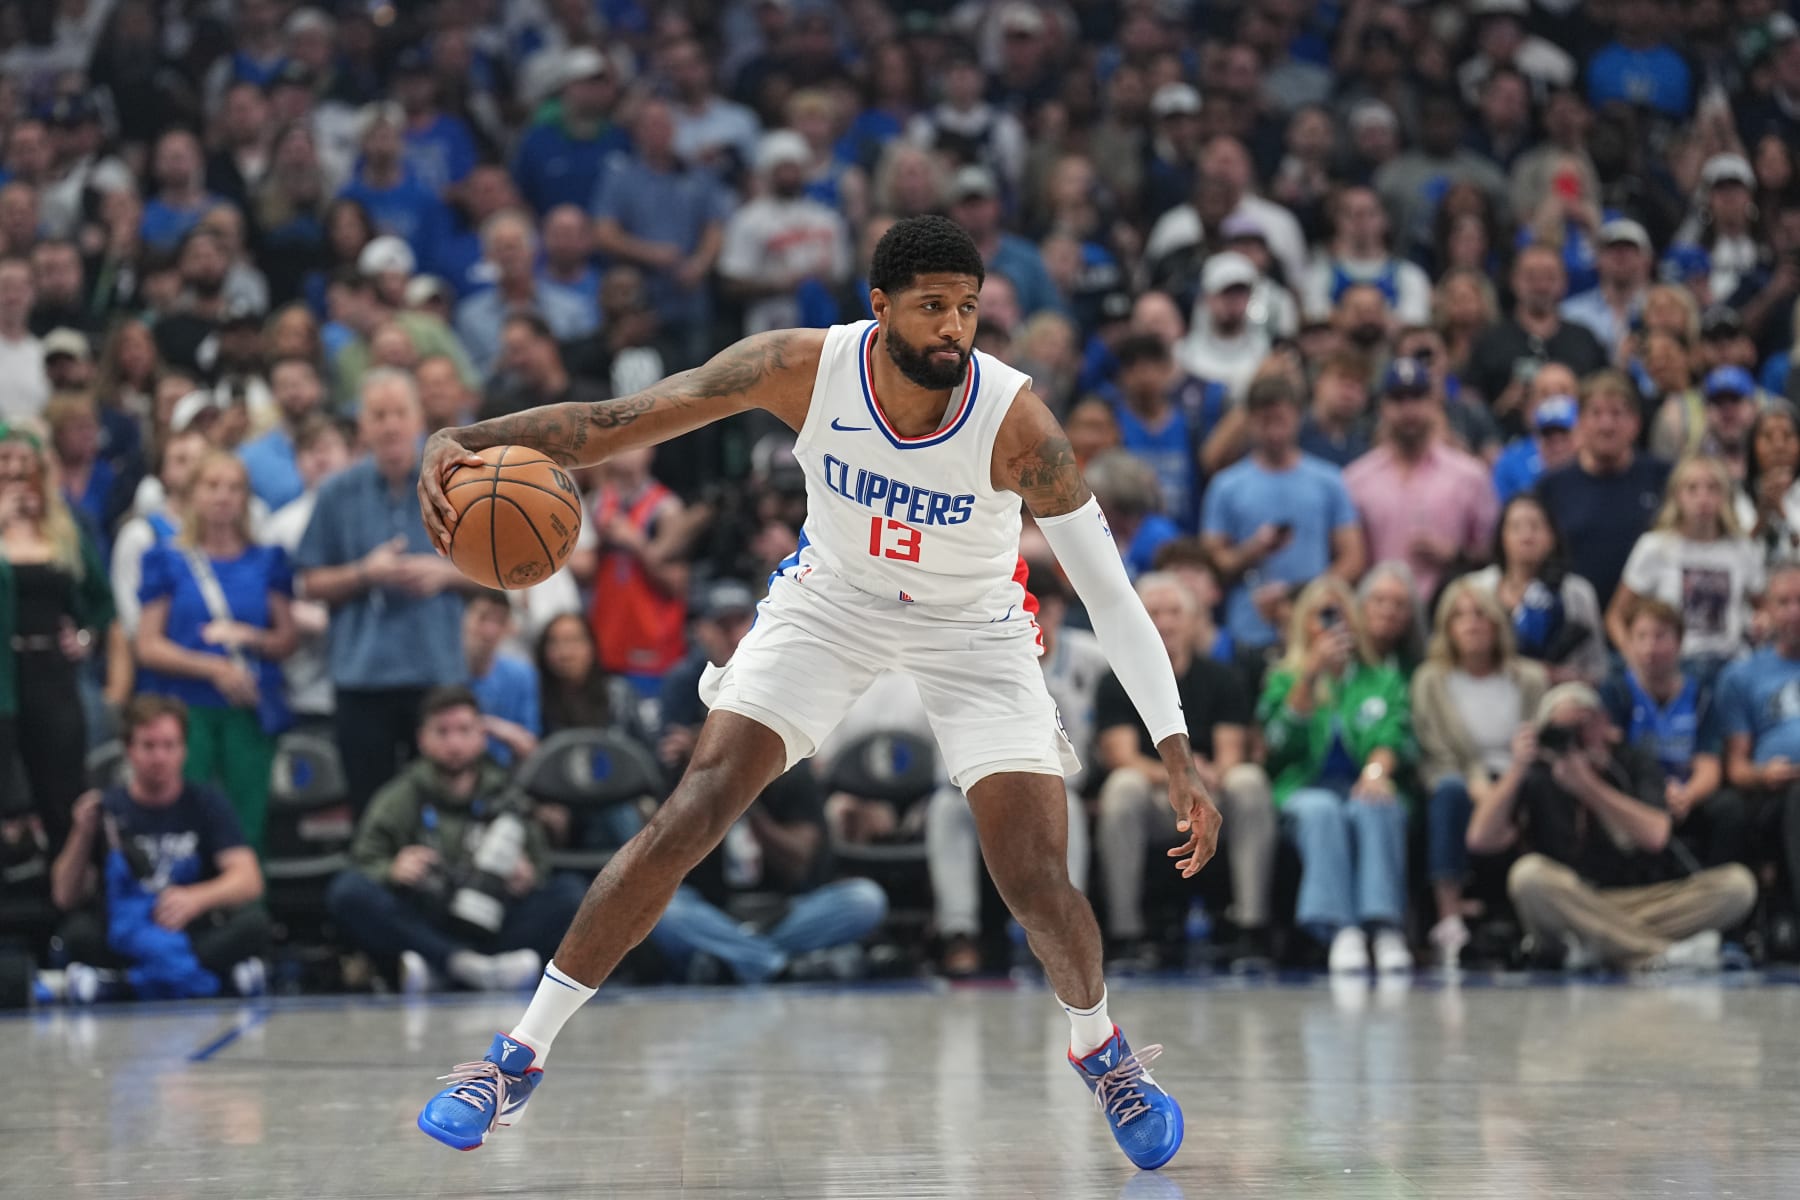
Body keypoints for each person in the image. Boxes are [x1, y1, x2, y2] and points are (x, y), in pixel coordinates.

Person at [412, 216, 1217, 1169]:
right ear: (879, 309)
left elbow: (1114, 597)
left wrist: (1176, 751)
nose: (954, 328)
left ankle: (1103, 1050)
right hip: (831, 599)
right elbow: (616, 422)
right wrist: (464, 437)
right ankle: (515, 1060)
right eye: (931, 308)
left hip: (974, 624)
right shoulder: (799, 366)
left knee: (1034, 878)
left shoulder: (1018, 424)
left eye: (966, 308)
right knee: (692, 810)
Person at [1468, 682, 1757, 971]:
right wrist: (1517, 767)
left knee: (1738, 886)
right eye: (1563, 728)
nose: (1575, 737)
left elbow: (1656, 835)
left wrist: (1589, 787)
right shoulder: (1536, 775)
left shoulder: (1630, 763)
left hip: (1638, 900)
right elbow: (1480, 838)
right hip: (1568, 898)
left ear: (1604, 723)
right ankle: (1658, 952)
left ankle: (1599, 945)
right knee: (1528, 876)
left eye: (1584, 723)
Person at [323, 687, 588, 993]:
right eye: (442, 732)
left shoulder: (507, 792)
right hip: (427, 916)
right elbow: (364, 858)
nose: (454, 743)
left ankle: (445, 968)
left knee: (571, 893)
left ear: (481, 737)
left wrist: (528, 876)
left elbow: (540, 864)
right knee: (347, 892)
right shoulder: (400, 795)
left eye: (464, 730)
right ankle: (461, 964)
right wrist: (392, 869)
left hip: (495, 916)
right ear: (422, 739)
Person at [294, 369, 474, 812]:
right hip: (362, 678)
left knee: (444, 809)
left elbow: (500, 573)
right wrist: (364, 574)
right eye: (379, 415)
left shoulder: (458, 484)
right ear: (363, 426)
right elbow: (309, 581)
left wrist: (446, 574)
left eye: (399, 413)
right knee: (370, 809)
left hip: (436, 673)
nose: (391, 425)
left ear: (419, 420)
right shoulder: (337, 492)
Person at [1095, 572, 1274, 967]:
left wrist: (1206, 780)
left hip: (1212, 792)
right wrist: (1181, 777)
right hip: (1155, 795)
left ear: (1194, 621)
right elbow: (1120, 756)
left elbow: (1232, 752)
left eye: (1175, 612)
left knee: (1249, 780)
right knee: (1122, 786)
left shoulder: (1222, 678)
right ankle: (1127, 935)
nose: (1166, 622)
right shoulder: (1115, 682)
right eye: (1154, 612)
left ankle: (1252, 929)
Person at [48, 695, 272, 1001]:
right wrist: (81, 833)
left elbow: (249, 880)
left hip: (190, 928)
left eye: (170, 746)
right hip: (129, 931)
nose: (159, 758)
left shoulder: (206, 802)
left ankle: (123, 984)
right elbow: (64, 895)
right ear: (129, 750)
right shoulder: (109, 808)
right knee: (76, 934)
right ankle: (217, 978)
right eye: (149, 746)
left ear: (184, 750)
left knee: (254, 925)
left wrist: (196, 898)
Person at [133, 452, 297, 853]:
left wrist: (249, 637)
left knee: (246, 823)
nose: (222, 496)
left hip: (248, 708)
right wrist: (213, 668)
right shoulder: (167, 559)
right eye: (212, 486)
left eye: (233, 487)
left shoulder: (267, 560)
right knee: (184, 821)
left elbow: (285, 640)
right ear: (192, 495)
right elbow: (147, 645)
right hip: (185, 714)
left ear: (245, 498)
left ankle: (245, 909)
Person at [1258, 578, 1414, 975]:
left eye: (1340, 613)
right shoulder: (1283, 678)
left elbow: (1391, 735)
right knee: (1323, 810)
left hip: (1359, 783)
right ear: (1303, 625)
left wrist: (1377, 773)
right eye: (1321, 615)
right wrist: (1308, 678)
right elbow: (1277, 746)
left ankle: (1384, 927)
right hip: (1305, 787)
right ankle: (1341, 928)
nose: (1332, 624)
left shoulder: (1380, 678)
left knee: (1375, 803)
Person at [1410, 577, 1548, 966]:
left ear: (1496, 623)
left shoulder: (1529, 678)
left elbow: (1540, 737)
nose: (1471, 624)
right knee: (1449, 791)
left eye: (1480, 615)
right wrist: (1479, 787)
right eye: (1460, 616)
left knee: (1543, 786)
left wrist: (1505, 786)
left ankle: (1542, 916)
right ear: (1446, 627)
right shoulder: (1431, 680)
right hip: (1456, 776)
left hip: (1517, 774)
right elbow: (1433, 748)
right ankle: (1448, 915)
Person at [0, 423, 115, 849]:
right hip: (2, 678)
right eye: (3, 458)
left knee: (62, 795)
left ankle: (71, 901)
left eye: (22, 458)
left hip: (51, 674)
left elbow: (102, 601)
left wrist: (86, 637)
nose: (13, 468)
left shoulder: (64, 526)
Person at [1201, 373, 1366, 651]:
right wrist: (1253, 549)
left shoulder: (1329, 480)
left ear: (1298, 418)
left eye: (1281, 421)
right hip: (1248, 631)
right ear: (1250, 421)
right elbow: (1213, 564)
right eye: (1265, 422)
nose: (1274, 432)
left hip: (1315, 628)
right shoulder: (1226, 486)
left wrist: (1299, 595)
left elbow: (1353, 557)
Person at [1344, 359, 1499, 602]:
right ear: (1382, 407)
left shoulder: (1469, 475)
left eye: (1417, 398)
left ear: (1434, 403)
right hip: (1380, 617)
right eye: (1398, 399)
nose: (1408, 410)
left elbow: (1493, 555)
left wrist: (1456, 555)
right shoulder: (1356, 479)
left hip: (1450, 613)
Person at [1601, 598, 1737, 868]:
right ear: (1628, 642)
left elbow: (1708, 764)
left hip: (1684, 793)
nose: (1650, 648)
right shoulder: (1616, 693)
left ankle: (1719, 885)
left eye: (1660, 637)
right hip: (1635, 795)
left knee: (1731, 807)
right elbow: (1608, 760)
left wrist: (1688, 795)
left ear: (1679, 642)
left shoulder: (1700, 697)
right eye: (1641, 637)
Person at [1608, 456, 1763, 675]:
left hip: (1731, 664)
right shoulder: (1654, 547)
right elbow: (1615, 616)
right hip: (1673, 665)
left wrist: (1764, 621)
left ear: (1726, 497)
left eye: (1713, 488)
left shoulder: (1743, 549)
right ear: (1677, 496)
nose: (1703, 498)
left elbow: (1765, 607)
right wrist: (1634, 656)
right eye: (1692, 489)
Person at [1535, 370, 1673, 609]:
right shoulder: (1552, 487)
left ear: (1636, 423)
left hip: (1650, 628)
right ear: (1579, 423)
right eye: (1596, 413)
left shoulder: (1663, 478)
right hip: (1575, 623)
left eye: (1617, 414)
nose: (1606, 425)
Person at [1467, 493, 1609, 686]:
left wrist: (1561, 677)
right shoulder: (1476, 588)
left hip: (1558, 694)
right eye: (1516, 527)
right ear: (1501, 537)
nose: (1526, 536)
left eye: (1535, 527)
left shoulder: (1577, 592)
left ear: (1553, 536)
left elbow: (1598, 669)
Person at [463, 589, 541, 767]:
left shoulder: (522, 675)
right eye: (482, 618)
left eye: (500, 621)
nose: (490, 631)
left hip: (505, 779)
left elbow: (530, 746)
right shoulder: (440, 676)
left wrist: (488, 726)